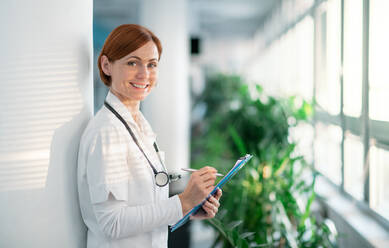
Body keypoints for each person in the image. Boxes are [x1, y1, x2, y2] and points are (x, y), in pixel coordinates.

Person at [77, 24, 222, 248]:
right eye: (132, 62)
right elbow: (112, 223)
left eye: (152, 64)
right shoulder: (106, 132)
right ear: (107, 65)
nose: (144, 74)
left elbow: (144, 208)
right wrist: (182, 202)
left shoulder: (138, 125)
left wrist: (189, 208)